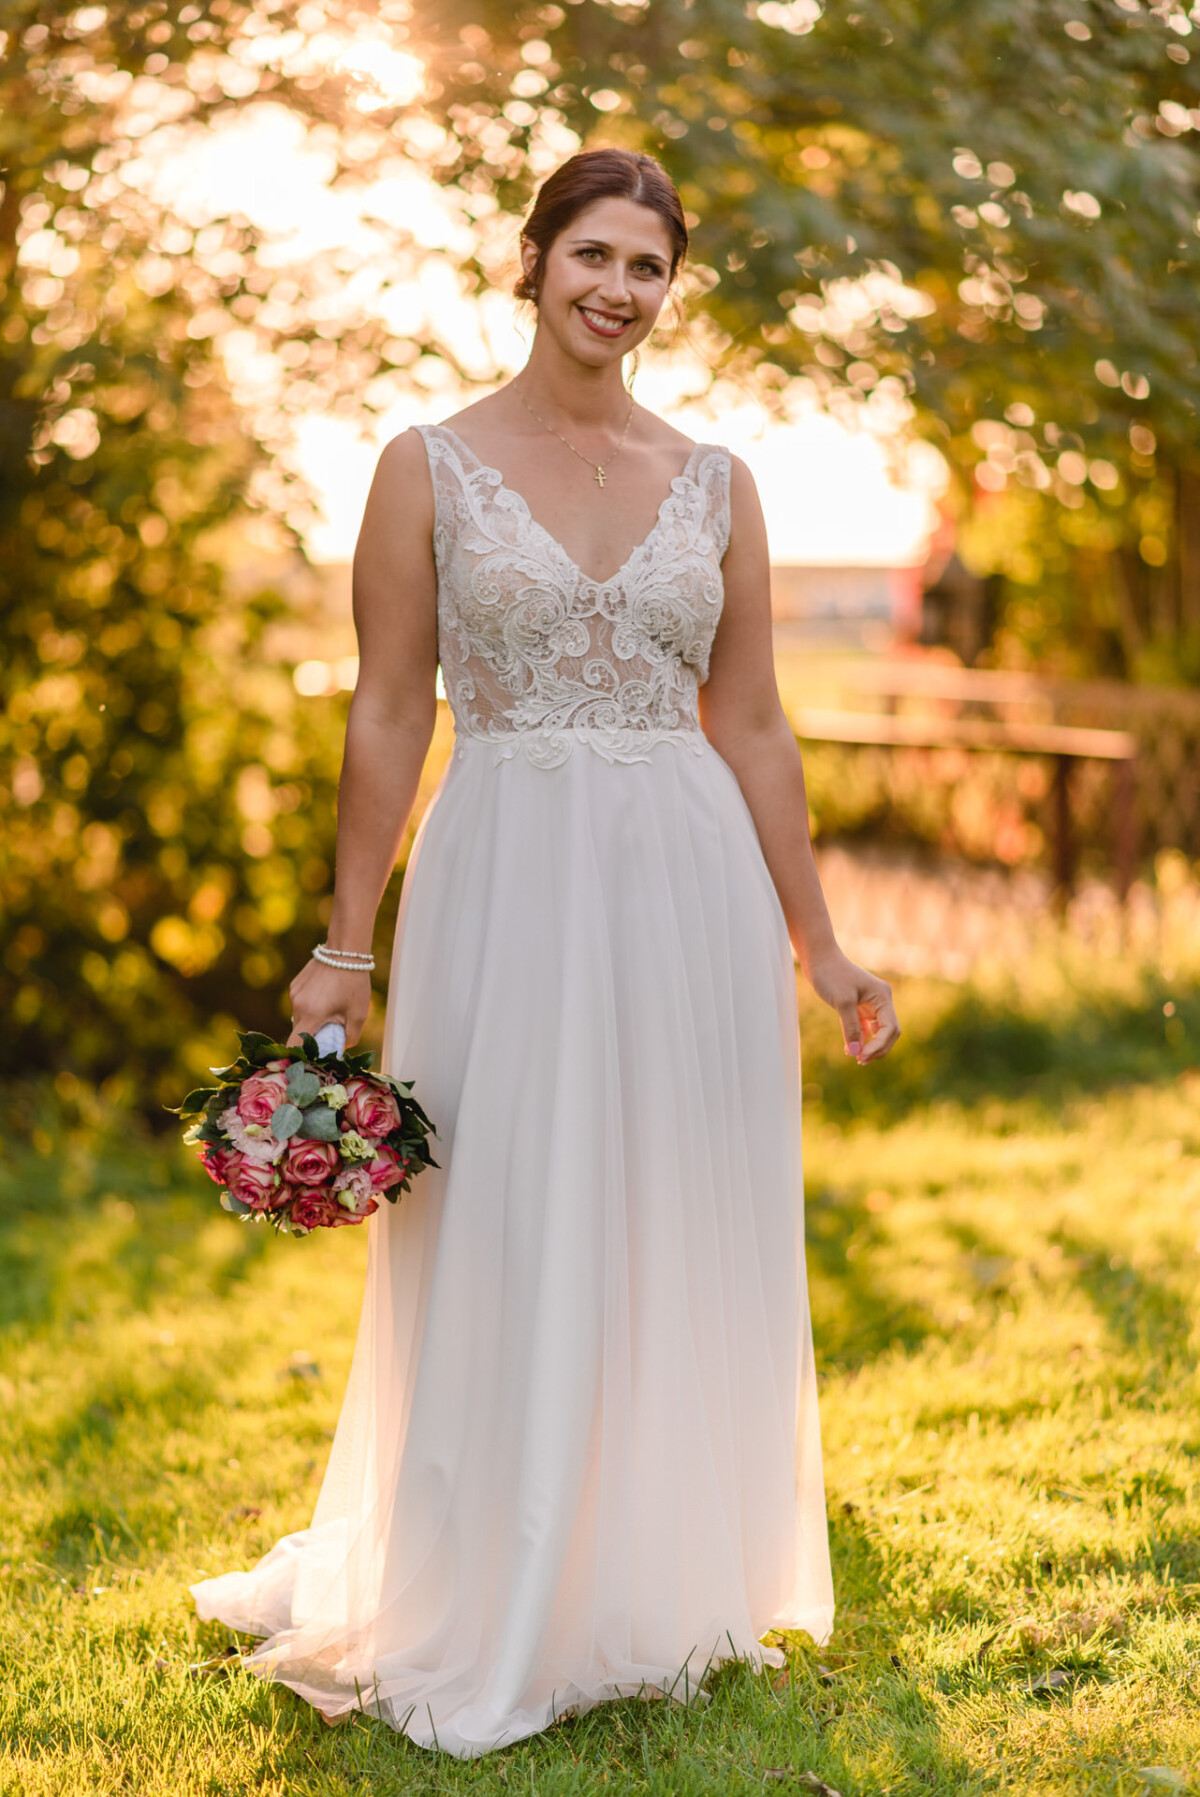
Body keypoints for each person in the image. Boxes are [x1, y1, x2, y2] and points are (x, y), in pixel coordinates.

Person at [192, 146, 900, 1758]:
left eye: (649, 267)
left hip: (688, 886)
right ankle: (490, 1580)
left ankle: (653, 1580)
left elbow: (754, 724)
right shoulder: (425, 466)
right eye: (594, 254)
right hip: (503, 870)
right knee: (503, 1204)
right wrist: (344, 943)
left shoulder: (717, 479)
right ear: (533, 259)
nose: (618, 290)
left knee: (667, 1203)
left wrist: (822, 943)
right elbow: (390, 709)